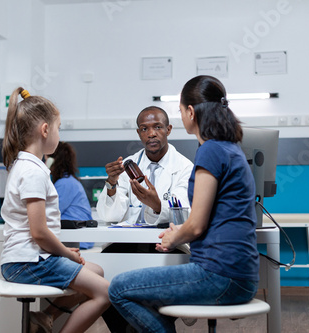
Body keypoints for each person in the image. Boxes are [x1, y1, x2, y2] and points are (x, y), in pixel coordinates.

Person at [108, 75, 260, 333]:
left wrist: (173, 238)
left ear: (190, 112)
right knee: (147, 305)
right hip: (239, 272)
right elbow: (208, 218)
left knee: (118, 288)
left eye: (180, 111)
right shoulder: (229, 148)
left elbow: (197, 225)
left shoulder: (210, 151)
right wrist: (178, 230)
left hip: (218, 274)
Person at [0, 87, 110, 333]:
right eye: (59, 128)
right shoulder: (32, 171)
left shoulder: (26, 165)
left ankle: (45, 316)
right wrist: (66, 254)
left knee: (97, 271)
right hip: (28, 263)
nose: (59, 135)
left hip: (28, 259)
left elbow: (38, 233)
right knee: (105, 292)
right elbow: (39, 232)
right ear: (45, 130)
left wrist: (60, 251)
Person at [96, 106, 193, 228]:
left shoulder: (185, 168)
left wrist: (157, 205)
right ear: (138, 133)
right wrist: (111, 183)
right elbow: (109, 216)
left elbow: (185, 214)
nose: (151, 134)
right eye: (144, 129)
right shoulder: (127, 166)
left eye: (158, 127)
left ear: (168, 129)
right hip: (130, 241)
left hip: (168, 240)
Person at [47, 141, 94, 249]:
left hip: (76, 240)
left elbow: (50, 213)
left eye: (46, 159)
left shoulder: (64, 183)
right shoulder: (68, 181)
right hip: (77, 238)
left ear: (52, 161)